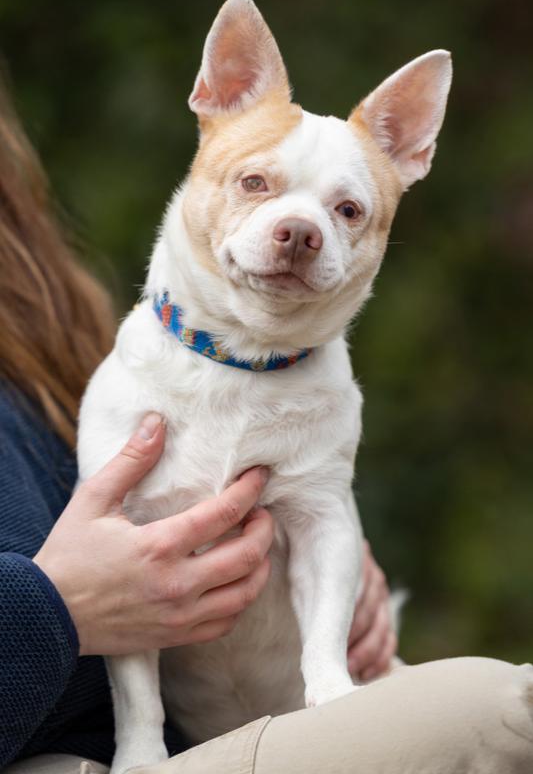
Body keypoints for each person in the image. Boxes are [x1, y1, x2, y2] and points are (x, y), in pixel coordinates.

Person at [0, 75, 531, 774]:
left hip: (310, 697)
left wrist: (339, 569)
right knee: (501, 712)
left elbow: (321, 524)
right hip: (128, 745)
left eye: (344, 210)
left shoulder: (50, 329)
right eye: (255, 184)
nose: (299, 229)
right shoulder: (120, 377)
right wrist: (55, 608)